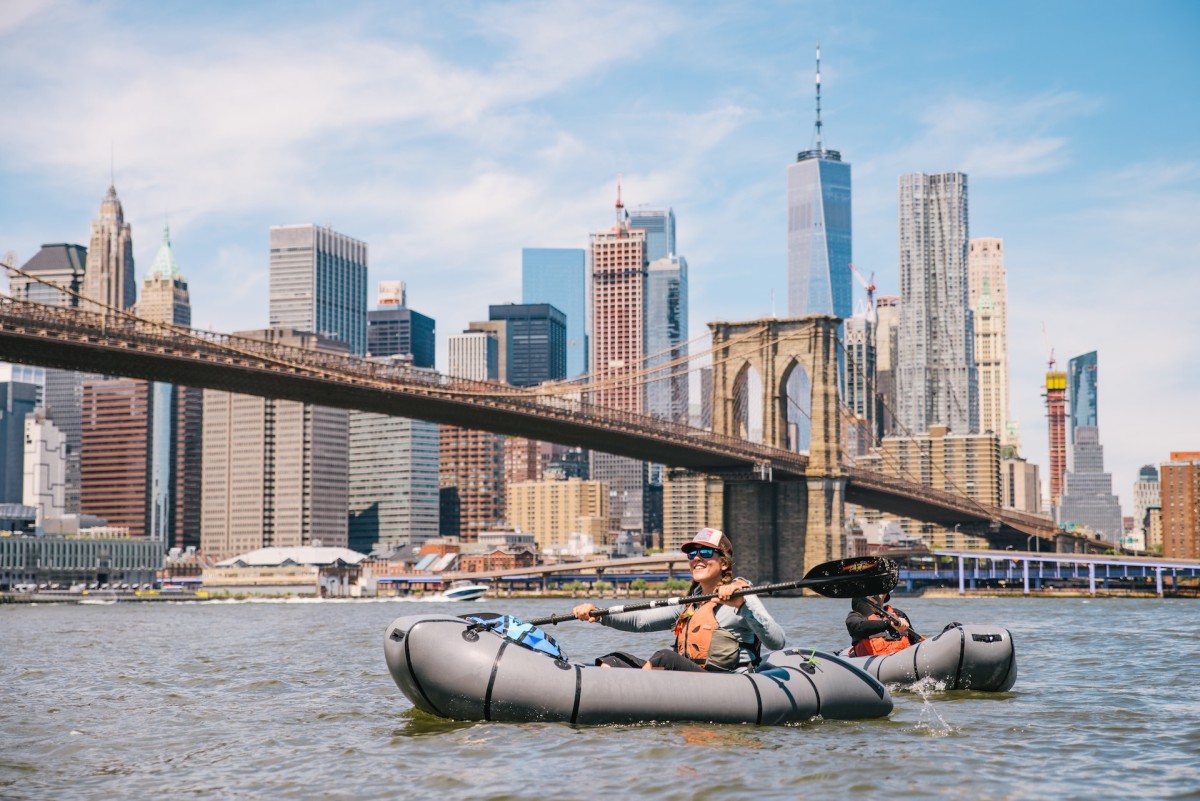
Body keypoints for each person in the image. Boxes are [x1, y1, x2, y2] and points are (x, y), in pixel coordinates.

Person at [571, 528, 786, 673]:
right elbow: (641, 621)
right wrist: (599, 615)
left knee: (665, 658)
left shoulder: (742, 594)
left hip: (727, 686)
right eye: (692, 553)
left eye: (705, 552)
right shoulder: (691, 602)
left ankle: (636, 698)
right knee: (614, 660)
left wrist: (743, 607)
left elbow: (777, 641)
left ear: (723, 563)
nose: (697, 558)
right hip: (688, 683)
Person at [845, 592, 919, 657]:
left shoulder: (899, 614)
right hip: (874, 663)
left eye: (882, 593)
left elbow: (914, 641)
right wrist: (888, 623)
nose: (879, 597)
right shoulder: (855, 617)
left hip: (902, 659)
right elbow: (859, 627)